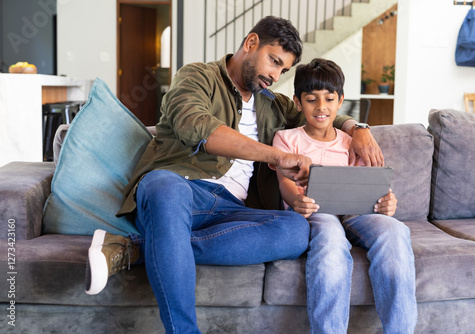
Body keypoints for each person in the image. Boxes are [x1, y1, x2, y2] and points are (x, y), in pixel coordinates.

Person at [85, 17, 385, 333]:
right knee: (163, 188)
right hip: (179, 189)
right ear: (251, 43)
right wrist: (277, 155)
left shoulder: (274, 104)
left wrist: (358, 128)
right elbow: (198, 127)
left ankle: (136, 247)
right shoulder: (196, 77)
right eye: (274, 61)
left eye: (283, 70)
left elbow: (321, 114)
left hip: (231, 210)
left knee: (297, 230)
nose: (275, 75)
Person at [272, 58, 417, 334]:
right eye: (312, 99)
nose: (321, 107)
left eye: (329, 99)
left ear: (340, 101)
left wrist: (387, 201)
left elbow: (370, 185)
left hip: (356, 212)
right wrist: (295, 200)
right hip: (316, 212)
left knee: (395, 231)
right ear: (298, 102)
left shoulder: (351, 142)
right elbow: (284, 183)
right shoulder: (286, 138)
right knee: (330, 238)